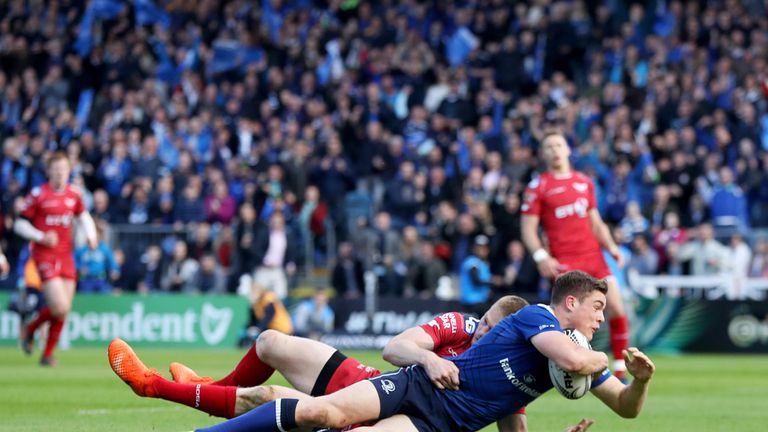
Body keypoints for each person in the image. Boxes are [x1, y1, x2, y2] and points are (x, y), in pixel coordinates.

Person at [184, 271, 654, 432]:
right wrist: (604, 358)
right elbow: (576, 362)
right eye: (596, 307)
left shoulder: (571, 353)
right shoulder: (538, 318)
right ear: (569, 303)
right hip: (420, 382)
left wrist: (641, 381)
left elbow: (625, 409)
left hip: (437, 424)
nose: (600, 316)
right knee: (320, 413)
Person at [108, 296, 572, 432]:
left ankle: (152, 385)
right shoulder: (460, 325)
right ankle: (210, 387)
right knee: (270, 341)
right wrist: (430, 359)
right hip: (370, 380)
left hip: (384, 414)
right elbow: (395, 348)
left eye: (492, 329)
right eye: (485, 321)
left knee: (266, 398)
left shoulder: (506, 375)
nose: (481, 331)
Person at [521, 133, 631, 379]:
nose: (554, 150)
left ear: (568, 150)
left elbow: (596, 222)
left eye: (558, 145)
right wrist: (541, 256)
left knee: (615, 307)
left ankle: (621, 370)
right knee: (567, 319)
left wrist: (612, 247)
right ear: (543, 154)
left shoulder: (584, 182)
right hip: (565, 262)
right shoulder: (538, 186)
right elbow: (528, 228)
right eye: (548, 146)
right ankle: (554, 367)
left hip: (593, 256)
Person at [14, 152, 98, 366]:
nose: (60, 172)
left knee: (63, 311)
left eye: (64, 169)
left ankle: (46, 353)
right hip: (44, 255)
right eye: (56, 168)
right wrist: (41, 236)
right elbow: (19, 224)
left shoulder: (74, 194)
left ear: (69, 171)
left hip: (66, 255)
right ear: (49, 170)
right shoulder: (38, 194)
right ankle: (31, 330)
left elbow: (83, 216)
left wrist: (91, 235)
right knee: (59, 306)